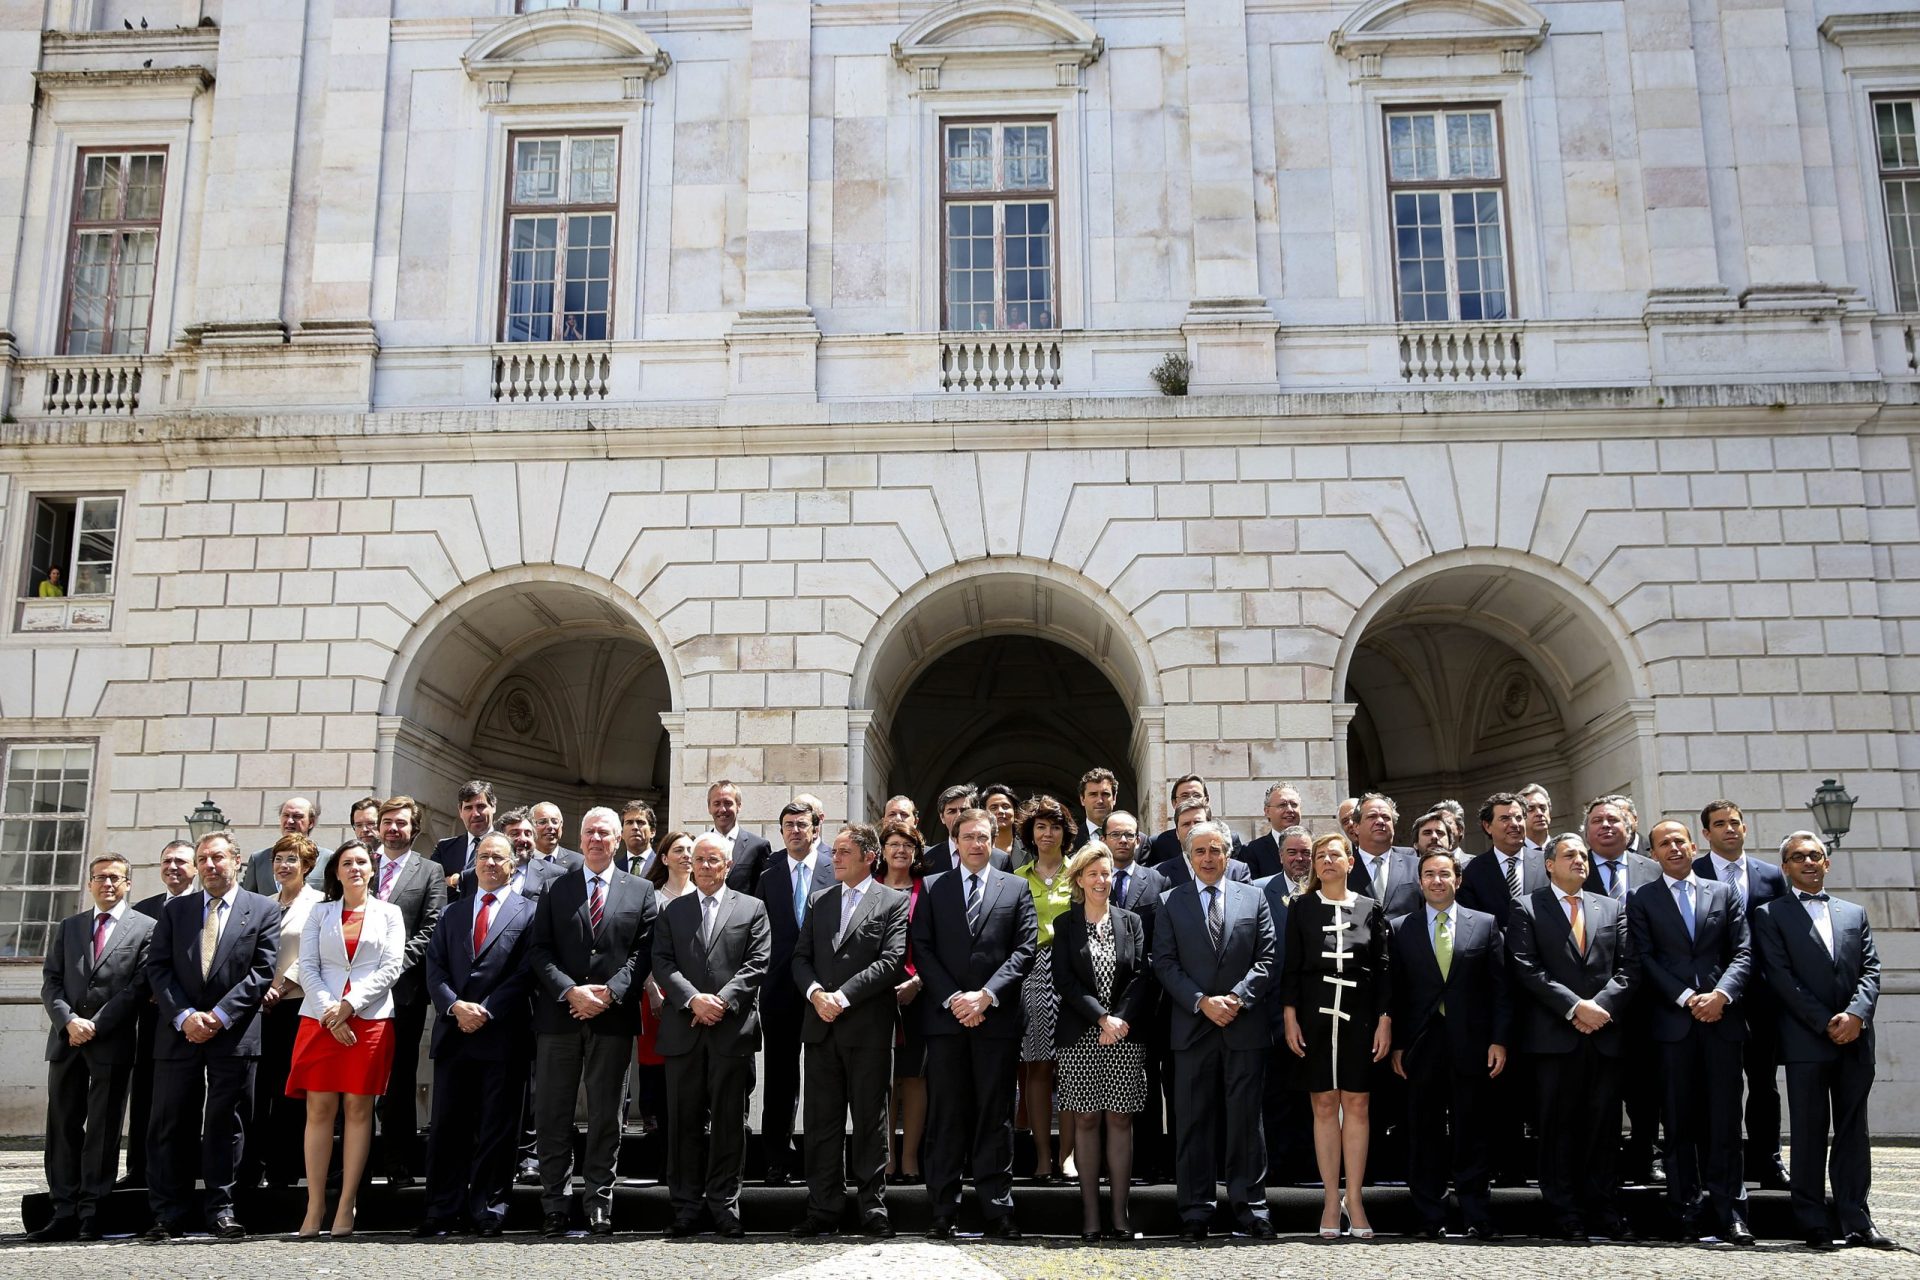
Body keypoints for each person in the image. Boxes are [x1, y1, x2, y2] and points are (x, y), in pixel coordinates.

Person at [1751, 831, 1894, 1250]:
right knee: (1810, 1132)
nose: (1809, 862)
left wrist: (1854, 1015)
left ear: (1827, 864)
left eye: (1816, 856)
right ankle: (1812, 1220)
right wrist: (1824, 1021)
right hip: (1804, 1040)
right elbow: (1779, 977)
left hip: (1855, 1039)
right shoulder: (1769, 914)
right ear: (1786, 868)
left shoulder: (1855, 912)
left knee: (1854, 1132)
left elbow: (1871, 970)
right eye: (1799, 857)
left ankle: (1856, 1219)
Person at [143, 831, 282, 1240]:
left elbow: (261, 971)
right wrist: (185, 1016)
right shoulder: (176, 911)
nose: (209, 865)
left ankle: (222, 1208)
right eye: (202, 859)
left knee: (227, 1124)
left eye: (217, 858)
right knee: (170, 1122)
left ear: (236, 861)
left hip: (234, 1033)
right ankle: (168, 1212)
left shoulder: (262, 910)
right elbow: (158, 968)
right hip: (178, 1033)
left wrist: (219, 1016)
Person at [530, 806, 658, 1236]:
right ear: (579, 839)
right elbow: (539, 950)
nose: (597, 839)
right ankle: (554, 1203)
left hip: (613, 1018)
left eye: (605, 833)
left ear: (618, 839)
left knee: (607, 1116)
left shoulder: (640, 890)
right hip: (560, 1016)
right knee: (552, 1113)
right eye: (589, 833)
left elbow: (644, 953)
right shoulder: (555, 886)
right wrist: (571, 991)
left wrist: (611, 993)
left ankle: (599, 1201)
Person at [912, 808, 1037, 1239]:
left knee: (995, 1117)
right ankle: (943, 1209)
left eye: (984, 837)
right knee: (946, 1116)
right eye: (968, 837)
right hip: (946, 1022)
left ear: (993, 840)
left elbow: (1025, 949)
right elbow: (922, 949)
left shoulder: (1016, 887)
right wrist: (953, 998)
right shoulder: (932, 887)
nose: (976, 844)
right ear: (956, 840)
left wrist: (985, 995)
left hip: (996, 1019)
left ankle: (997, 1208)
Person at [1626, 818, 1753, 1244]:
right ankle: (1685, 1211)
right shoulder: (1641, 899)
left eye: (1679, 841)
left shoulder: (1723, 892)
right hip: (1672, 1024)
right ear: (1654, 854)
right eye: (1664, 844)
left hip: (1722, 1020)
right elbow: (1644, 959)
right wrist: (1685, 997)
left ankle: (1731, 1212)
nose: (1674, 848)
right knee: (1678, 1123)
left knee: (1725, 1122)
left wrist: (1721, 996)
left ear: (1693, 846)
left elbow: (1743, 951)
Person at [1508, 833, 1638, 1242]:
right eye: (1570, 855)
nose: (1580, 861)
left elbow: (1629, 967)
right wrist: (1574, 1007)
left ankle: (1603, 1207)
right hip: (1554, 1038)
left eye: (1583, 855)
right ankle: (1565, 1211)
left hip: (1603, 1034)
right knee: (1557, 1128)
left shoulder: (1612, 907)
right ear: (1549, 864)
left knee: (1603, 1127)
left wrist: (1599, 1007)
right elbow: (1526, 968)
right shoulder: (1526, 906)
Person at [1153, 819, 1276, 1241]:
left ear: (1229, 854)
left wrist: (1237, 999)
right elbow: (1164, 962)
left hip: (1244, 1026)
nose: (1208, 858)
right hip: (1192, 1027)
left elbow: (1267, 958)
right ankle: (1195, 1211)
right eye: (1200, 851)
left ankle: (1251, 1209)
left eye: (1216, 850)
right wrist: (1202, 1002)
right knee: (1193, 1122)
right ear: (1189, 856)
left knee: (1245, 1123)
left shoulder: (1255, 898)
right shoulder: (1170, 901)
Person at [790, 824, 910, 1238]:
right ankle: (823, 1208)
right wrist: (815, 993)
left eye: (842, 852)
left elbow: (891, 960)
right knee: (822, 1124)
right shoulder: (820, 900)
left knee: (870, 1123)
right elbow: (800, 958)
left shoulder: (892, 901)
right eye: (835, 851)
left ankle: (873, 1209)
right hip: (821, 1029)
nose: (834, 858)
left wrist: (842, 996)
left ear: (868, 857)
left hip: (867, 1030)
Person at [419, 832, 538, 1238]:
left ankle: (489, 1209)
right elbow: (434, 966)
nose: (489, 863)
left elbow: (527, 972)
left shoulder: (530, 913)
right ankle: (441, 1210)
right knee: (447, 1127)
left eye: (498, 858)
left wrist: (486, 1009)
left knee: (497, 1129)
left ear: (513, 866)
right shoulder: (453, 913)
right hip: (455, 1034)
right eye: (483, 856)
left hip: (501, 1034)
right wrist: (454, 1005)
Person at [653, 833, 771, 1237]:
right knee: (682, 1123)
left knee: (727, 1124)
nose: (704, 866)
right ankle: (684, 1206)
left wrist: (719, 1001)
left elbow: (758, 963)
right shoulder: (672, 910)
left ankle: (725, 1205)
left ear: (728, 865)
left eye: (713, 860)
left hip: (730, 1029)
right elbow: (662, 962)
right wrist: (692, 1001)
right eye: (698, 859)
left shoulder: (753, 908)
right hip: (684, 1029)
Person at [1388, 849, 1510, 1240]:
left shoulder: (1486, 924)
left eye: (1444, 874)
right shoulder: (1399, 927)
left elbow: (1500, 990)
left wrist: (1499, 1040)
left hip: (1473, 1043)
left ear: (1458, 881)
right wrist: (1397, 1044)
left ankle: (1476, 1214)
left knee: (1471, 1130)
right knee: (1424, 1133)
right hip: (1421, 1044)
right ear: (1419, 881)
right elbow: (1395, 994)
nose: (1437, 881)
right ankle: (1429, 1217)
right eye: (1429, 874)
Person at [288, 840, 406, 1237]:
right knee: (319, 1110)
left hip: (369, 1018)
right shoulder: (319, 913)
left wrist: (349, 1006)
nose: (355, 868)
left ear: (372, 870)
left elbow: (391, 967)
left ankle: (347, 1202)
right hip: (320, 1019)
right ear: (335, 871)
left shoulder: (390, 913)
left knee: (358, 1109)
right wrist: (330, 1009)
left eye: (361, 862)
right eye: (346, 863)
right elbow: (307, 965)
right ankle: (315, 1203)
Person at [33, 855, 155, 1241]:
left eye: (115, 878)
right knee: (62, 1127)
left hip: (112, 1041)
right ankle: (63, 1210)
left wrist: (95, 1025)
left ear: (128, 884)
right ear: (89, 883)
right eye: (100, 877)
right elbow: (51, 980)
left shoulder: (145, 928)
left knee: (102, 1130)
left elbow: (138, 987)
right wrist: (68, 1020)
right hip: (67, 1040)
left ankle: (93, 1211)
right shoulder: (70, 926)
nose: (107, 884)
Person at [1282, 831, 1390, 1241]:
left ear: (1350, 862)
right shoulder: (1302, 908)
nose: (1327, 861)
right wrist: (1290, 1017)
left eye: (1335, 855)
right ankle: (1330, 1199)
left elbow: (1383, 968)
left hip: (1361, 1016)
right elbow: (1291, 966)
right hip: (1313, 1015)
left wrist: (1384, 1018)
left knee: (1358, 1104)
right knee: (1324, 1104)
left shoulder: (1370, 908)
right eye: (1320, 856)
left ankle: (1355, 1199)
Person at [1053, 842, 1150, 1242]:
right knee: (1087, 1119)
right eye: (1092, 873)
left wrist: (1120, 1019)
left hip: (1124, 1036)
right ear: (1079, 879)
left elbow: (1142, 975)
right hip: (1081, 1035)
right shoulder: (1065, 924)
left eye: (1106, 873)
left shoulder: (1131, 922)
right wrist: (1101, 1018)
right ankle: (1091, 1216)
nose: (1101, 880)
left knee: (1120, 1119)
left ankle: (1120, 1216)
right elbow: (1065, 980)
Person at [1691, 799, 1790, 1189]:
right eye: (1720, 824)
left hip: (1762, 997)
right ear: (1706, 834)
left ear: (1745, 829)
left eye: (1735, 823)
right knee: (1719, 1083)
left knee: (1763, 1083)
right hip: (1714, 996)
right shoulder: (1693, 873)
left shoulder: (1771, 876)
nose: (1729, 829)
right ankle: (1719, 1161)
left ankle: (1769, 1158)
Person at [1581, 794, 1662, 1180]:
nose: (1605, 826)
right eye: (1597, 820)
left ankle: (1646, 1157)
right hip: (1594, 1003)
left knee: (1647, 1091)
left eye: (1613, 820)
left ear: (1630, 829)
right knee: (1599, 1095)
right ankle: (1604, 1165)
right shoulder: (1575, 870)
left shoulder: (1654, 870)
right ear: (1586, 831)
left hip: (1649, 1000)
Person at [757, 800, 837, 1184]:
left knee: (824, 1077)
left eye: (801, 825)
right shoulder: (769, 870)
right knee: (780, 1077)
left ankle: (821, 1160)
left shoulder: (834, 865)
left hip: (824, 989)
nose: (794, 831)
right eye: (787, 825)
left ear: (815, 828)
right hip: (778, 989)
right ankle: (776, 1158)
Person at [369, 795, 447, 1187]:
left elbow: (431, 928)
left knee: (399, 1079)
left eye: (401, 823)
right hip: (357, 994)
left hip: (404, 991)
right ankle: (356, 1162)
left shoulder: (430, 871)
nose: (393, 829)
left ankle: (397, 1163)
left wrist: (391, 969)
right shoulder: (360, 865)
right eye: (388, 822)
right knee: (358, 1080)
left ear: (414, 830)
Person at [245, 834, 324, 1192]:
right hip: (258, 1007)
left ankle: (283, 1171)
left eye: (291, 859)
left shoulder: (320, 903)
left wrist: (283, 985)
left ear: (307, 865)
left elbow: (315, 953)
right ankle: (252, 1166)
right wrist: (260, 988)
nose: (283, 866)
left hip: (296, 1006)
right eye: (278, 859)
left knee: (290, 1091)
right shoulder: (260, 903)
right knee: (257, 1091)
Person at [1101, 811, 1171, 1181]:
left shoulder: (1158, 881)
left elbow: (1162, 944)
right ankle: (1099, 1163)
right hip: (1097, 1001)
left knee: (1143, 1082)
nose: (1124, 841)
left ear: (1139, 840)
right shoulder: (1091, 877)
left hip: (1146, 999)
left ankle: (1147, 1162)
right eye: (1116, 835)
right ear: (1104, 838)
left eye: (1130, 835)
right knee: (1098, 1083)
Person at [1014, 794, 1079, 1183]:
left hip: (1073, 969)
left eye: (1055, 826)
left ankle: (1067, 1155)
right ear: (1031, 834)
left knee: (1071, 1067)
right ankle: (1042, 1155)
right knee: (1037, 1065)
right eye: (1041, 826)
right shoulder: (1017, 879)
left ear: (1064, 833)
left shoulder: (1080, 873)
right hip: (1033, 970)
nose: (1048, 833)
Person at [127, 840, 196, 1190]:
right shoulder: (143, 910)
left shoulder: (206, 906)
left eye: (181, 861)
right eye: (167, 860)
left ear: (195, 867)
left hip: (194, 1016)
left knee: (188, 1096)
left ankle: (184, 1167)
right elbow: (131, 959)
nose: (173, 867)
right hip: (152, 1015)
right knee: (145, 1094)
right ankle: (139, 1167)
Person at [873, 821, 929, 1184]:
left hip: (919, 992)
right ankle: (887, 1159)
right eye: (893, 844)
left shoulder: (928, 889)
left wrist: (919, 981)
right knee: (884, 1078)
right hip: (876, 994)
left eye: (907, 846)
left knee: (914, 1077)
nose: (900, 851)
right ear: (882, 850)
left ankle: (910, 1159)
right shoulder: (870, 888)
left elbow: (936, 941)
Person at [634, 831, 697, 1140]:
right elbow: (644, 949)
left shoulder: (704, 895)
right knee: (654, 1059)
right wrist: (651, 989)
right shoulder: (653, 897)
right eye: (679, 849)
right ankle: (653, 1120)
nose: (686, 855)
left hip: (694, 996)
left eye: (691, 850)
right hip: (656, 994)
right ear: (664, 857)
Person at [1458, 792, 1544, 928]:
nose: (1515, 824)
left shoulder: (1547, 863)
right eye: (1505, 819)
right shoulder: (1471, 871)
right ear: (1487, 826)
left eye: (1519, 817)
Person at [1154, 799, 1253, 888]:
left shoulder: (1237, 871)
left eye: (1198, 822)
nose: (1192, 828)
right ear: (1177, 833)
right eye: (1186, 824)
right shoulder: (1159, 874)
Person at [240, 796, 320, 895]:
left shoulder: (327, 858)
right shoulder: (259, 859)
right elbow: (249, 900)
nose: (290, 821)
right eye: (286, 815)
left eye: (297, 816)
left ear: (311, 822)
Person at [431, 780, 498, 897]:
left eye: (481, 806)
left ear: (493, 806)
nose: (475, 814)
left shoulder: (508, 847)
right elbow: (432, 887)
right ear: (460, 811)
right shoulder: (444, 849)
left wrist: (453, 881)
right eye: (468, 808)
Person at [707, 780, 774, 893]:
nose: (722, 809)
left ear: (739, 806)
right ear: (709, 808)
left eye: (728, 803)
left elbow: (765, 890)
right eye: (717, 803)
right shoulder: (699, 846)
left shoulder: (758, 846)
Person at [1239, 783, 1303, 878]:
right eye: (1282, 805)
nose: (1289, 810)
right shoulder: (1252, 851)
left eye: (1294, 805)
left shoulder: (1315, 848)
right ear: (1267, 811)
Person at [1070, 768, 1119, 853]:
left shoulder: (1134, 839)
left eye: (1105, 794)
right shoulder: (1069, 840)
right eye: (1093, 794)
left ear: (1114, 798)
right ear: (1082, 799)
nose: (1100, 800)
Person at [980, 783, 1023, 864]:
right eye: (993, 808)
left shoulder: (1030, 850)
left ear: (1016, 813)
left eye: (1006, 806)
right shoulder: (978, 850)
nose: (1000, 811)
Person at [530, 802, 582, 866]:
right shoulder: (521, 862)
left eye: (555, 822)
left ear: (561, 825)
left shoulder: (579, 863)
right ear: (531, 826)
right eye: (542, 822)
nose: (550, 826)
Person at [619, 800, 658, 878]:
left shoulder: (664, 866)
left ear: (652, 832)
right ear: (622, 833)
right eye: (629, 822)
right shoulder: (614, 869)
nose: (635, 827)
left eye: (640, 822)